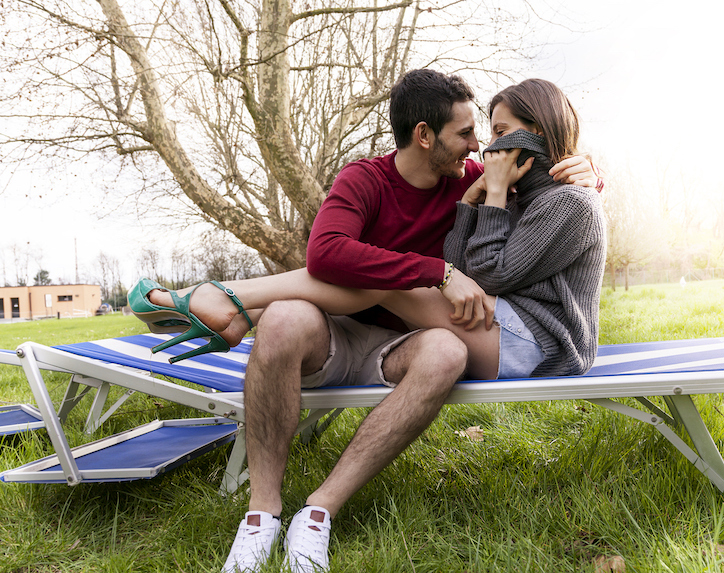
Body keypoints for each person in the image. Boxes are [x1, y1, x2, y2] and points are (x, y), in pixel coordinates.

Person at [129, 70, 601, 572]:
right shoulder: (368, 179)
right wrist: (441, 267)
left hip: (444, 340)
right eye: (469, 134)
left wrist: (587, 172)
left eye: (494, 134)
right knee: (299, 312)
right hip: (347, 331)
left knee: (410, 306)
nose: (481, 146)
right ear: (424, 135)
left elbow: (532, 226)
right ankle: (261, 512)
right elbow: (328, 254)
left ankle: (227, 305)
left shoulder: (478, 177)